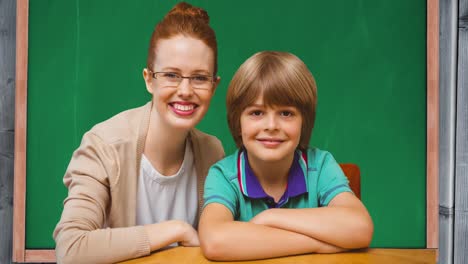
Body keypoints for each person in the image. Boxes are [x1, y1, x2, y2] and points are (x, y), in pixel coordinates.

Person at [53, 2, 224, 263]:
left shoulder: (212, 152)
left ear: (214, 85)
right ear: (148, 79)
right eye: (171, 75)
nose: (186, 90)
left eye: (199, 78)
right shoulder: (103, 146)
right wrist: (174, 230)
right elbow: (72, 248)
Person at [199, 51, 373, 261]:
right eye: (256, 113)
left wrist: (270, 217)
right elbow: (216, 242)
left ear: (304, 121)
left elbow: (360, 227)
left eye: (286, 113)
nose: (271, 126)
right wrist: (318, 244)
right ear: (238, 121)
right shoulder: (224, 175)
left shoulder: (320, 165)